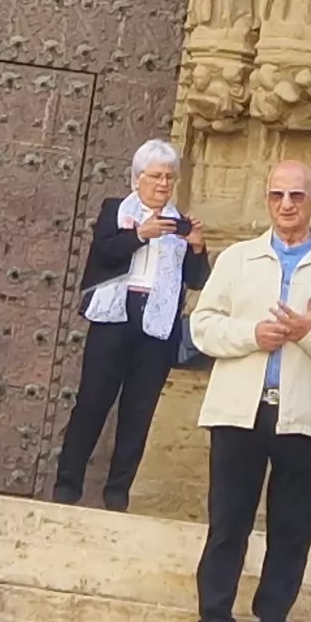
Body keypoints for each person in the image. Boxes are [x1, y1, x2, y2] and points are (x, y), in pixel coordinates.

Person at [179, 158, 311, 622]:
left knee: (291, 528)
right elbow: (203, 326)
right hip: (239, 410)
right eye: (276, 196)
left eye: (296, 196)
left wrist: (310, 334)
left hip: (303, 416)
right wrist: (253, 336)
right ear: (266, 200)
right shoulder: (239, 260)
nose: (286, 205)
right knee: (227, 522)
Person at [55, 137, 208, 509]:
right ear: (137, 178)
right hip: (114, 318)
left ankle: (117, 491)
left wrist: (198, 247)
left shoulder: (180, 223)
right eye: (155, 176)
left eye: (170, 178)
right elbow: (104, 251)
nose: (163, 184)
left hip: (157, 325)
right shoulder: (115, 212)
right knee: (92, 401)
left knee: (138, 412)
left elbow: (198, 279)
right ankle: (67, 484)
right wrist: (140, 234)